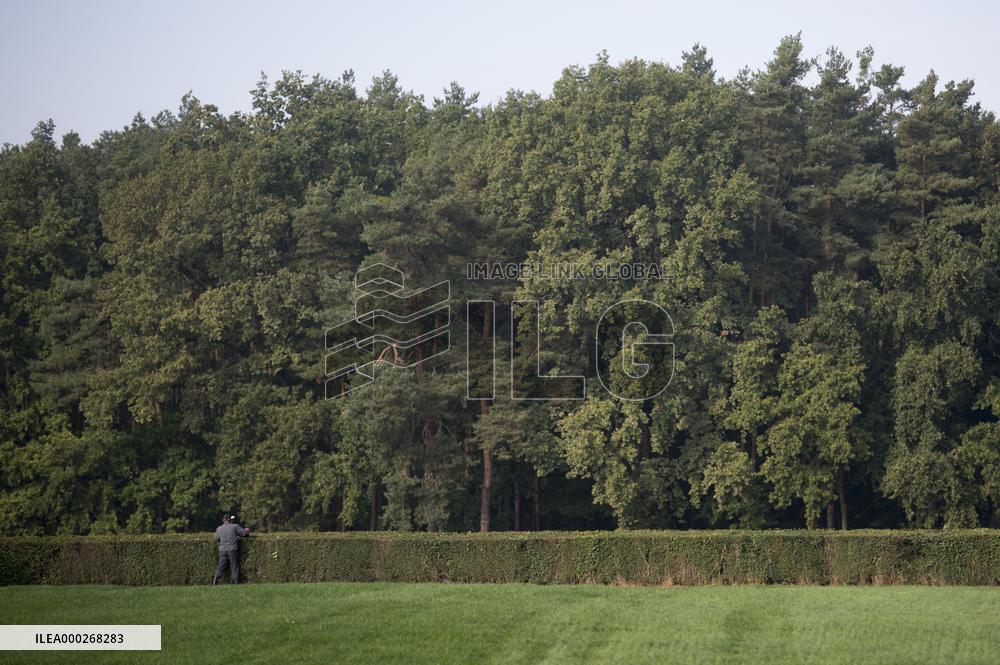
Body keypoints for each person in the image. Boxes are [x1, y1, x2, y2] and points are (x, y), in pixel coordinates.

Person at [212, 513, 251, 584]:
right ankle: (235, 582)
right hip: (232, 549)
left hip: (222, 550)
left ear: (224, 520)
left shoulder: (219, 528)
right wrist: (247, 530)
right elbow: (244, 533)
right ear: (230, 520)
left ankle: (215, 580)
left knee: (220, 566)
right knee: (234, 566)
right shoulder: (235, 526)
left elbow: (216, 538)